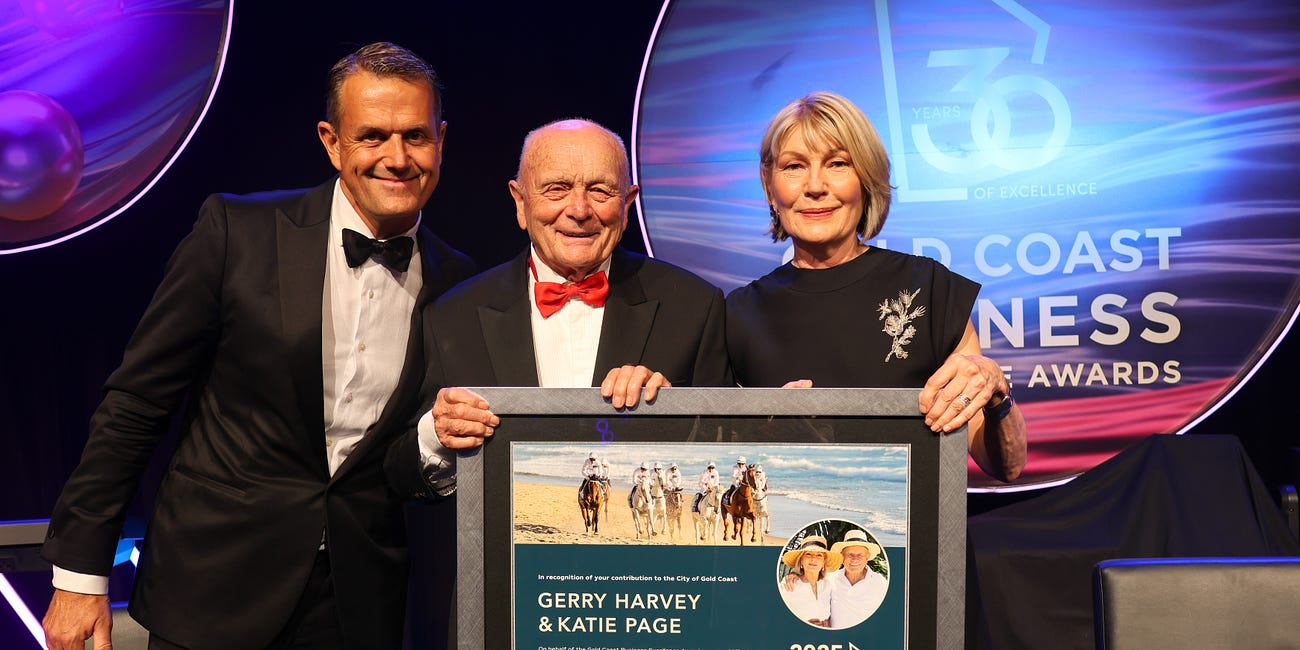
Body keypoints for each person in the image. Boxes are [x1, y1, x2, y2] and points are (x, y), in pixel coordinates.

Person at [39, 42, 476, 650]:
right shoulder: (237, 233)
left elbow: (415, 454)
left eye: (416, 136)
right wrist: (81, 573)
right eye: (372, 136)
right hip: (210, 588)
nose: (396, 158)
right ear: (331, 141)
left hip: (356, 609)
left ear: (441, 139)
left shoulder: (461, 284)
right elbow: (135, 405)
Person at [725, 91, 1027, 482]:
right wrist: (763, 435)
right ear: (770, 187)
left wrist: (997, 394)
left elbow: (1007, 465)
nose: (815, 186)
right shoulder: (736, 314)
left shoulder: (929, 290)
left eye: (837, 164)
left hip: (921, 537)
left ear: (866, 179)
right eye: (795, 166)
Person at [419, 118, 732, 451]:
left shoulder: (694, 307)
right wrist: (436, 434)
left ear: (627, 206)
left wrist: (675, 417)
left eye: (600, 190)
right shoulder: (451, 316)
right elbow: (402, 473)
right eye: (557, 188)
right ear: (521, 203)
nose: (580, 210)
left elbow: (731, 447)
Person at [827, 529, 888, 628]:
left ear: (867, 558)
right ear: (842, 557)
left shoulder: (880, 582)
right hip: (836, 641)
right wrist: (795, 575)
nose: (855, 559)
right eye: (850, 555)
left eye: (860, 555)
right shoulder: (830, 579)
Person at [779, 535, 842, 627]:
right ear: (801, 560)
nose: (813, 559)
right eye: (808, 554)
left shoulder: (828, 584)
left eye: (819, 555)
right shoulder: (789, 584)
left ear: (824, 562)